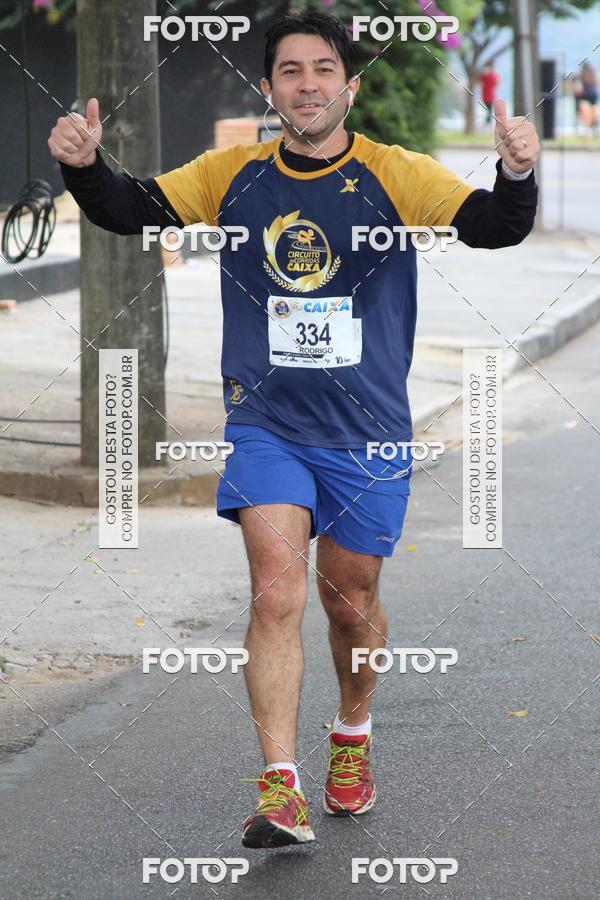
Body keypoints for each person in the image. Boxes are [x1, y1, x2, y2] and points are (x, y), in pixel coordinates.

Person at [48, 11, 539, 850]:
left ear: (348, 86)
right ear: (269, 88)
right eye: (289, 71)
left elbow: (495, 225)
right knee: (275, 591)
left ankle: (352, 733)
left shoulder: (394, 173)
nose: (307, 84)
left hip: (368, 430)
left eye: (323, 70)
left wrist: (518, 173)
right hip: (266, 424)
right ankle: (282, 788)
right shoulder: (231, 174)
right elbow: (132, 210)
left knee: (351, 605)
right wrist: (87, 168)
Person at [479, 60, 500, 124]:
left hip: (487, 95)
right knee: (489, 110)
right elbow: (497, 83)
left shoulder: (486, 75)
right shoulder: (493, 75)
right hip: (489, 95)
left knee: (489, 110)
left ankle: (487, 122)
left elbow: (479, 80)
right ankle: (488, 122)